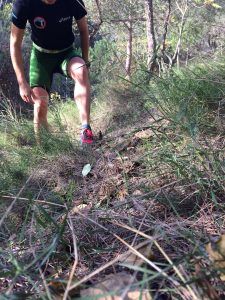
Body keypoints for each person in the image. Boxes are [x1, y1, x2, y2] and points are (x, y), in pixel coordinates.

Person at [10, 0, 94, 145]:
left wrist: (85, 60)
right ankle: (45, 147)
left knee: (81, 71)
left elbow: (84, 30)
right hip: (41, 57)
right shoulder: (23, 3)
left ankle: (86, 130)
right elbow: (15, 43)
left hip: (66, 52)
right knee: (40, 103)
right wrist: (21, 82)